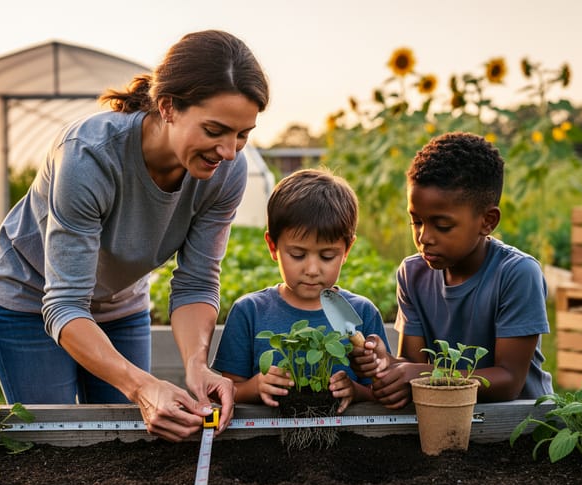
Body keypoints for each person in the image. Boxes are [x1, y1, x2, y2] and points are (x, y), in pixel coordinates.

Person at [0, 30, 269, 442]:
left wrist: (197, 366)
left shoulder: (227, 173)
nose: (229, 151)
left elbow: (196, 282)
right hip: (29, 296)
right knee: (53, 444)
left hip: (120, 301)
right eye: (215, 130)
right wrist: (142, 386)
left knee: (127, 445)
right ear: (167, 106)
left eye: (243, 134)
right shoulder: (89, 156)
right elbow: (64, 302)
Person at [352, 131, 553, 407]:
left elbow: (508, 381)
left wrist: (422, 376)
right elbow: (413, 364)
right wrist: (387, 365)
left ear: (487, 221)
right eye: (416, 222)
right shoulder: (413, 274)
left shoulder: (517, 274)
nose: (424, 237)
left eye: (442, 226)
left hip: (520, 425)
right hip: (445, 417)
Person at [211, 169, 390, 413]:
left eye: (327, 256)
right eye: (298, 254)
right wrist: (256, 386)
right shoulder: (249, 312)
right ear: (273, 246)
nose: (312, 269)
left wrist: (355, 391)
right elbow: (227, 391)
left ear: (347, 250)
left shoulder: (363, 312)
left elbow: (382, 392)